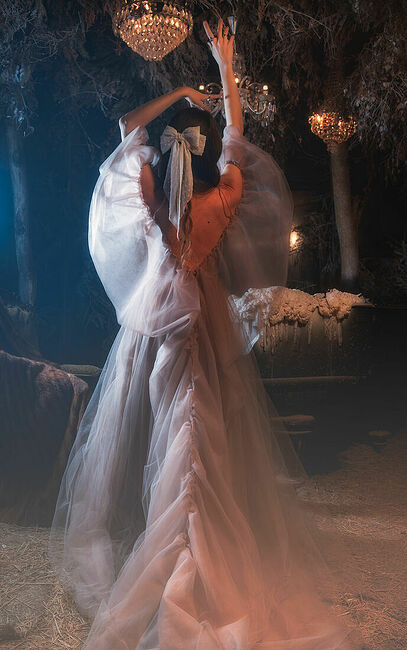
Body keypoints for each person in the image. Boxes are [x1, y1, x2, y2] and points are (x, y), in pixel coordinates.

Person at [49, 17, 360, 649]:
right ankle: (197, 549)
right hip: (207, 346)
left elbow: (126, 127)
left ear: (169, 156)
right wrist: (226, 71)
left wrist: (180, 95)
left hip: (160, 338)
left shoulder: (152, 203)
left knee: (165, 440)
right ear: (207, 155)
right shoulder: (225, 200)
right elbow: (238, 139)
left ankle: (177, 549)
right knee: (201, 446)